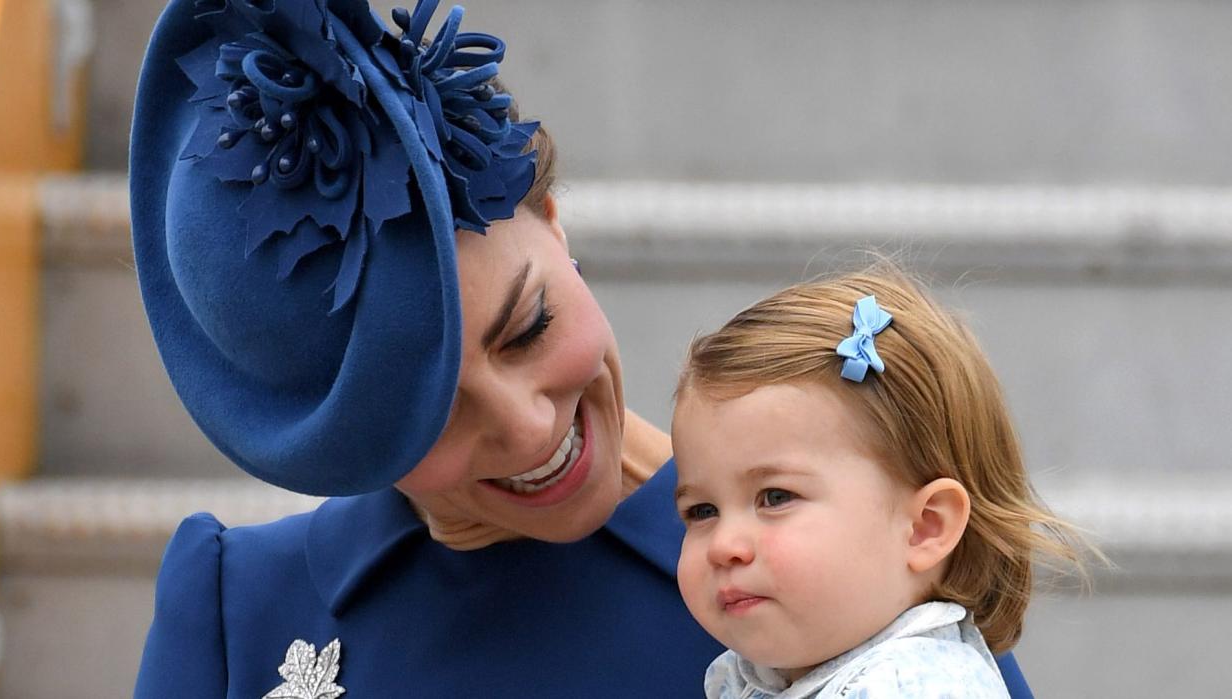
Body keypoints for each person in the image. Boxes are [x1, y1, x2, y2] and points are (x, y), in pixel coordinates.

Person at [129, 1, 1034, 696]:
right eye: (435, 405)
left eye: (529, 327)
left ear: (554, 227)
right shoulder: (237, 609)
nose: (528, 430)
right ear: (337, 435)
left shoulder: (845, 581)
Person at [671, 266, 1085, 698]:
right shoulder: (757, 678)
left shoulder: (912, 687)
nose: (723, 546)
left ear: (925, 526)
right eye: (702, 511)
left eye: (775, 497)